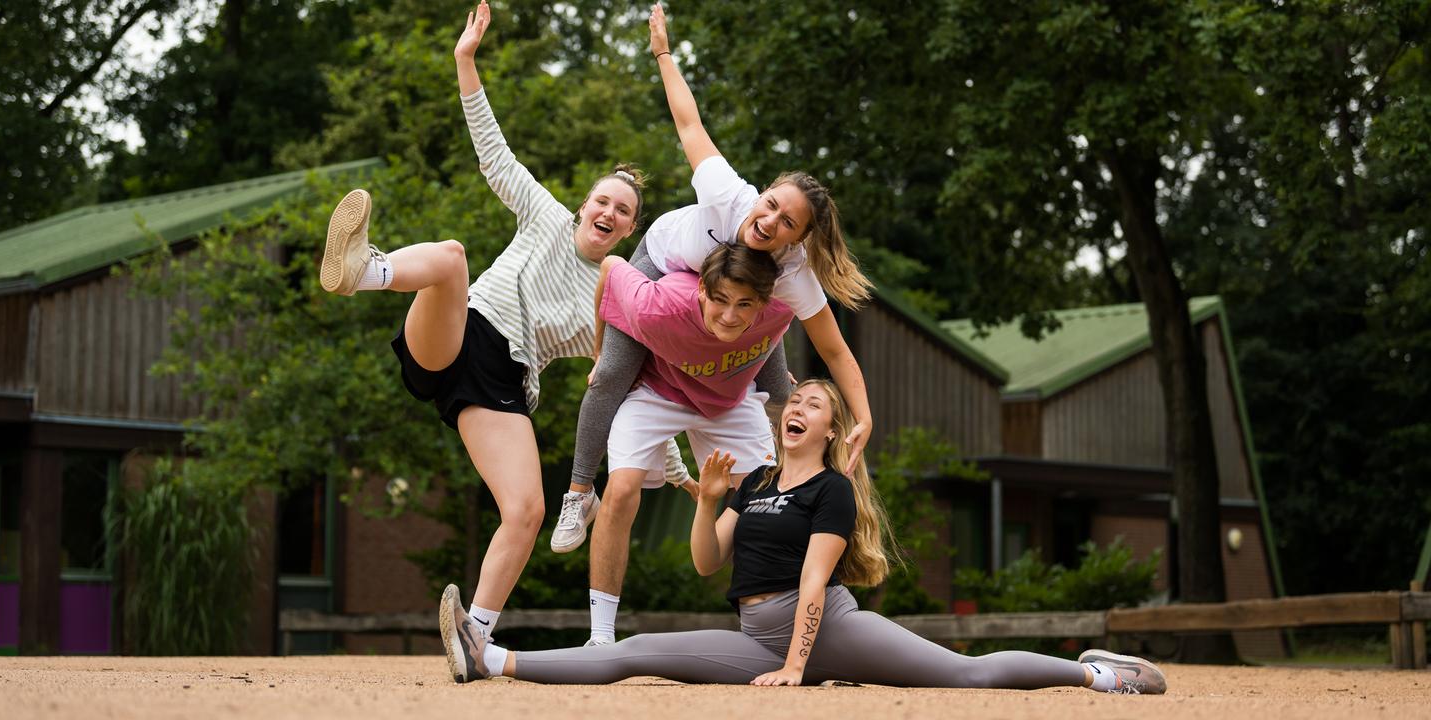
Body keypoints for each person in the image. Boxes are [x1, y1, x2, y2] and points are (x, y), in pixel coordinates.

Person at [319, 0, 686, 649]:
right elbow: (493, 151)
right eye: (603, 199)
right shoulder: (543, 214)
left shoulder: (614, 295)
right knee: (452, 257)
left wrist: (676, 462)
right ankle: (363, 271)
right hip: (457, 333)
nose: (609, 211)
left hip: (500, 386)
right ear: (583, 205)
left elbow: (630, 381)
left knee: (528, 511)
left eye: (623, 211)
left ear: (629, 230)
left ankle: (474, 639)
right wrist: (466, 60)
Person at [439, 379, 1168, 695]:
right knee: (635, 653)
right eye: (796, 401)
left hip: (823, 632)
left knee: (964, 674)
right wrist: (708, 503)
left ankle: (1102, 676)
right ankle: (490, 655)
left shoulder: (831, 489)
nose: (797, 408)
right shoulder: (755, 481)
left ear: (829, 430)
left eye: (813, 405)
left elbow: (816, 582)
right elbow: (704, 565)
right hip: (754, 633)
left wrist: (797, 668)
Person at [550, 2, 877, 556]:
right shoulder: (729, 196)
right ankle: (580, 491)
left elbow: (837, 352)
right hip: (665, 263)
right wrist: (662, 52)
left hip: (736, 296)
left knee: (778, 384)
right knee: (612, 374)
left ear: (797, 239)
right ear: (763, 192)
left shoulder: (794, 273)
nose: (768, 222)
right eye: (771, 205)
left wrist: (863, 417)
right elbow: (688, 120)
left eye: (786, 223)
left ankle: (788, 493)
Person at [580, 241, 795, 645]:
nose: (730, 317)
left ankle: (779, 627)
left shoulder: (782, 307)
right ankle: (600, 637)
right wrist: (600, 356)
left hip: (730, 399)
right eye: (719, 301)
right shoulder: (657, 304)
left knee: (769, 501)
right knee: (621, 488)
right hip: (658, 392)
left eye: (745, 305)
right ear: (701, 291)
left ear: (763, 303)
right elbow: (610, 269)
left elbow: (785, 345)